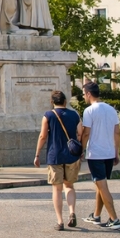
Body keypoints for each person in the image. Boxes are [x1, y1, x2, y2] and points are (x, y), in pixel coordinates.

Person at [34, 90, 81, 230]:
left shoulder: (48, 115)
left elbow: (43, 136)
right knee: (69, 186)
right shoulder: (74, 115)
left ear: (52, 102)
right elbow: (80, 133)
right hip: (71, 156)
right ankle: (72, 212)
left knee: (57, 189)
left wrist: (37, 154)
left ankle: (60, 221)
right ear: (65, 101)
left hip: (55, 156)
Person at [80, 81, 120, 229]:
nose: (83, 96)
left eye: (83, 94)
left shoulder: (89, 111)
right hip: (109, 153)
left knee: (103, 187)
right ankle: (96, 216)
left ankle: (114, 219)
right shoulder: (111, 109)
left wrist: (81, 149)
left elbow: (86, 133)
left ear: (88, 94)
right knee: (100, 184)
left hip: (96, 154)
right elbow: (117, 132)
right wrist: (117, 152)